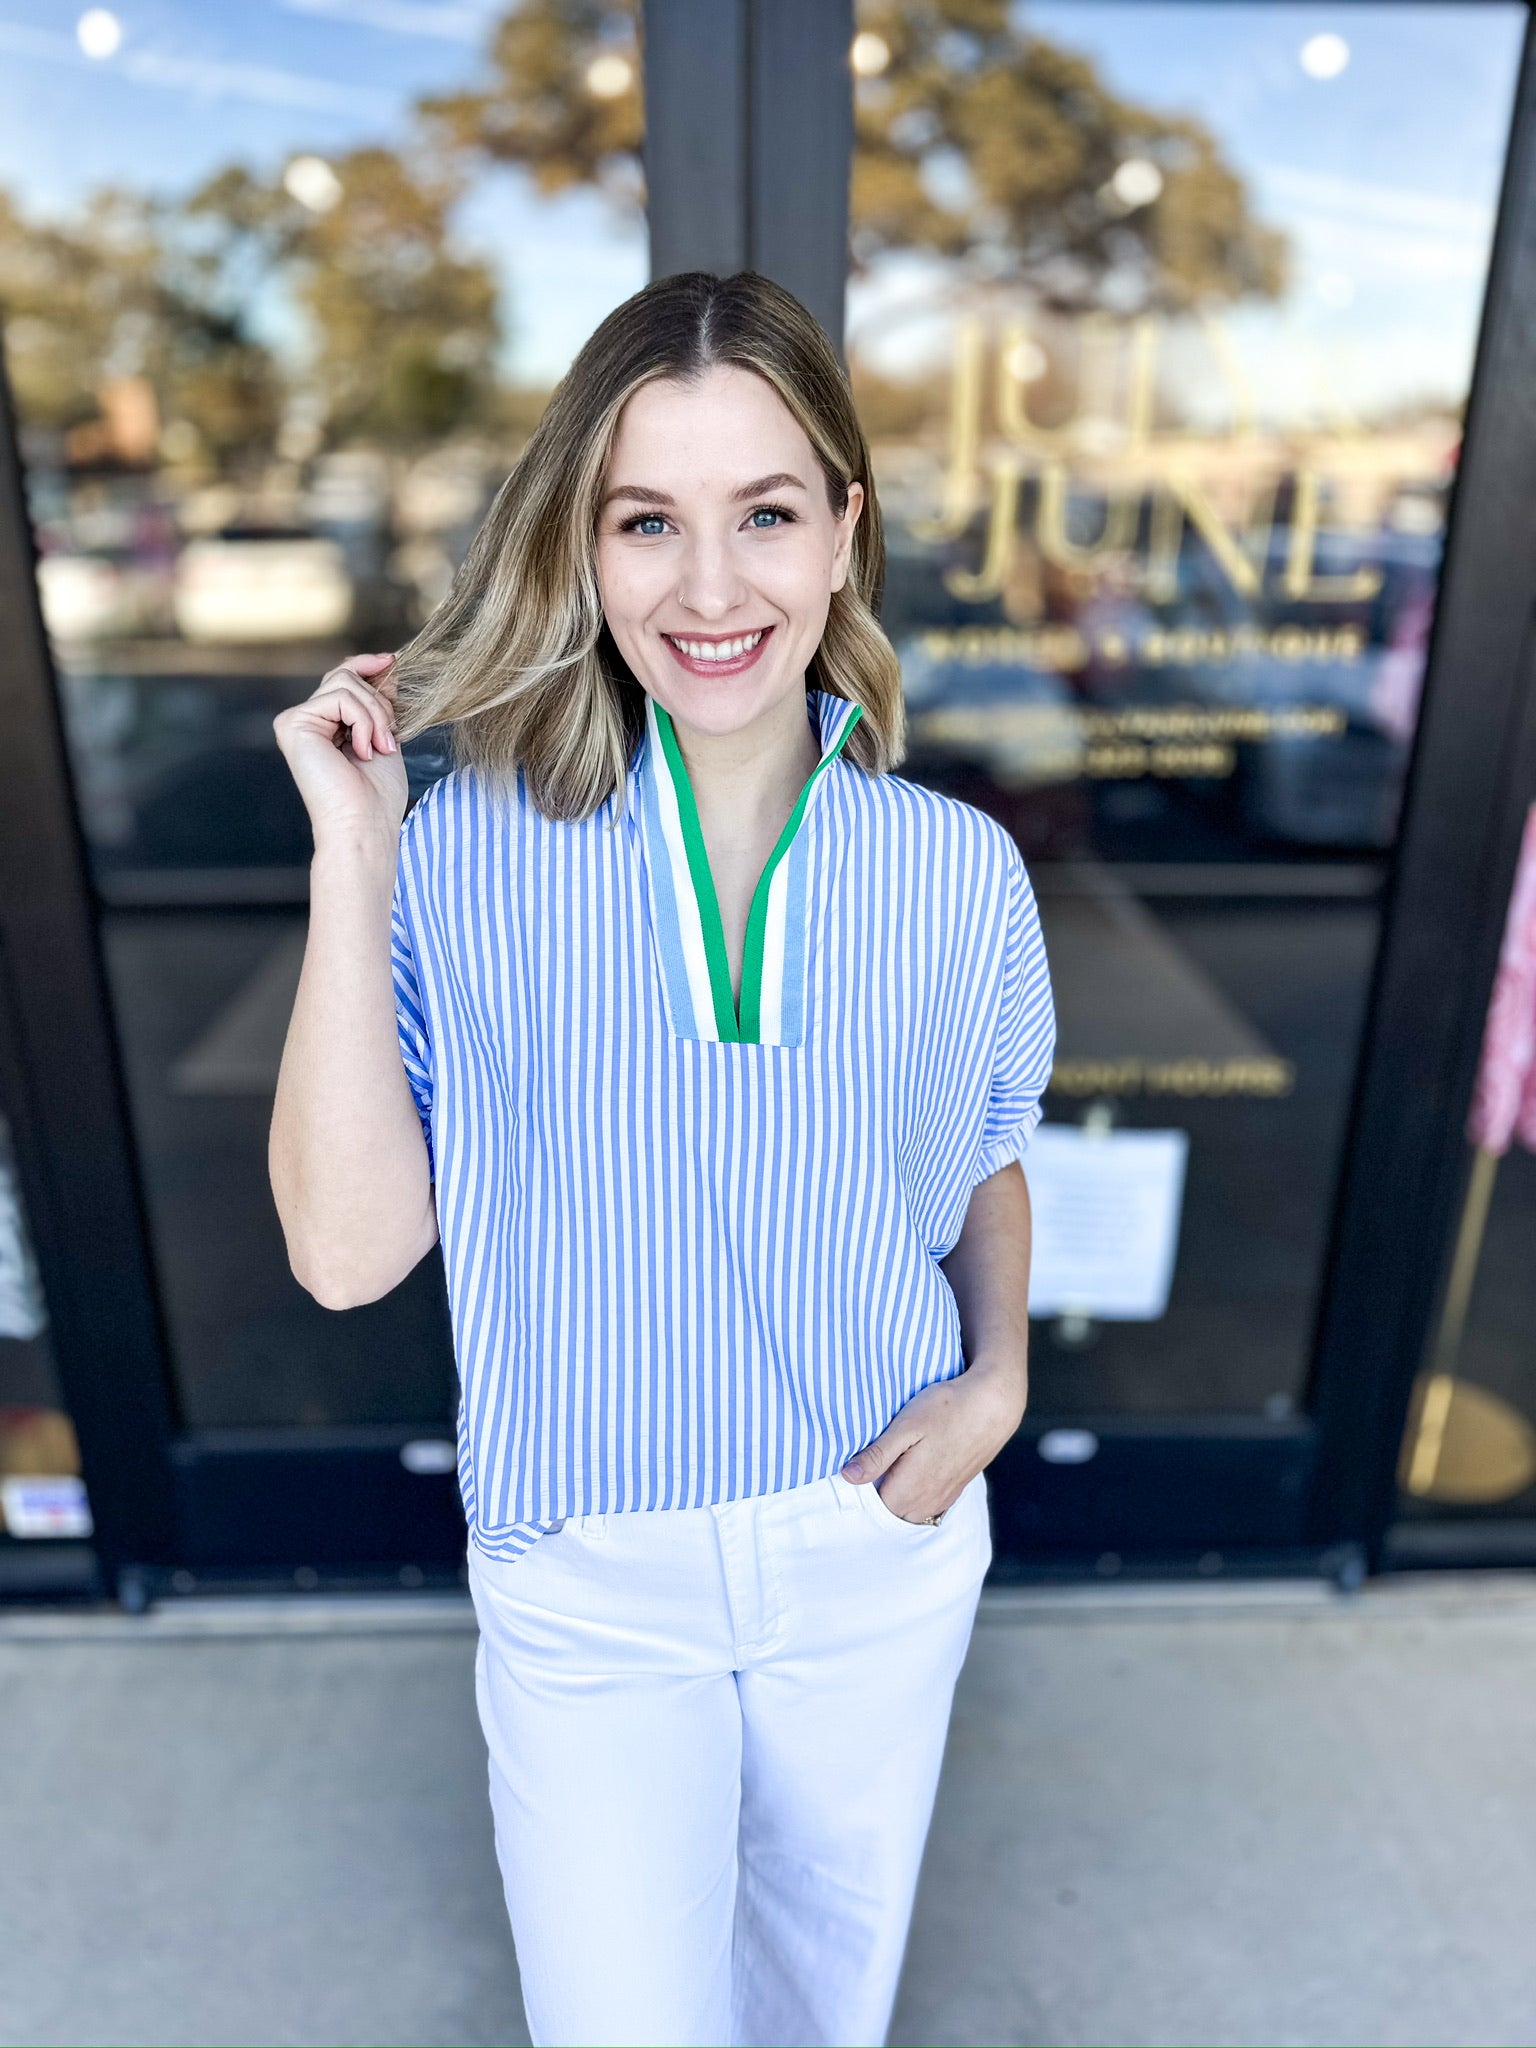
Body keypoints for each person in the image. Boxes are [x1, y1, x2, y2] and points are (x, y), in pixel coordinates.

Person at [269, 270, 1055, 2048]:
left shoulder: (953, 871)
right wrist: (353, 862)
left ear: (846, 531)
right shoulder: (458, 851)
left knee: (821, 2012)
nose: (711, 589)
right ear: (585, 546)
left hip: (876, 1539)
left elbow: (983, 1153)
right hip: (589, 1569)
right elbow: (342, 1254)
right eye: (649, 522)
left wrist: (1000, 1376)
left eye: (766, 514)